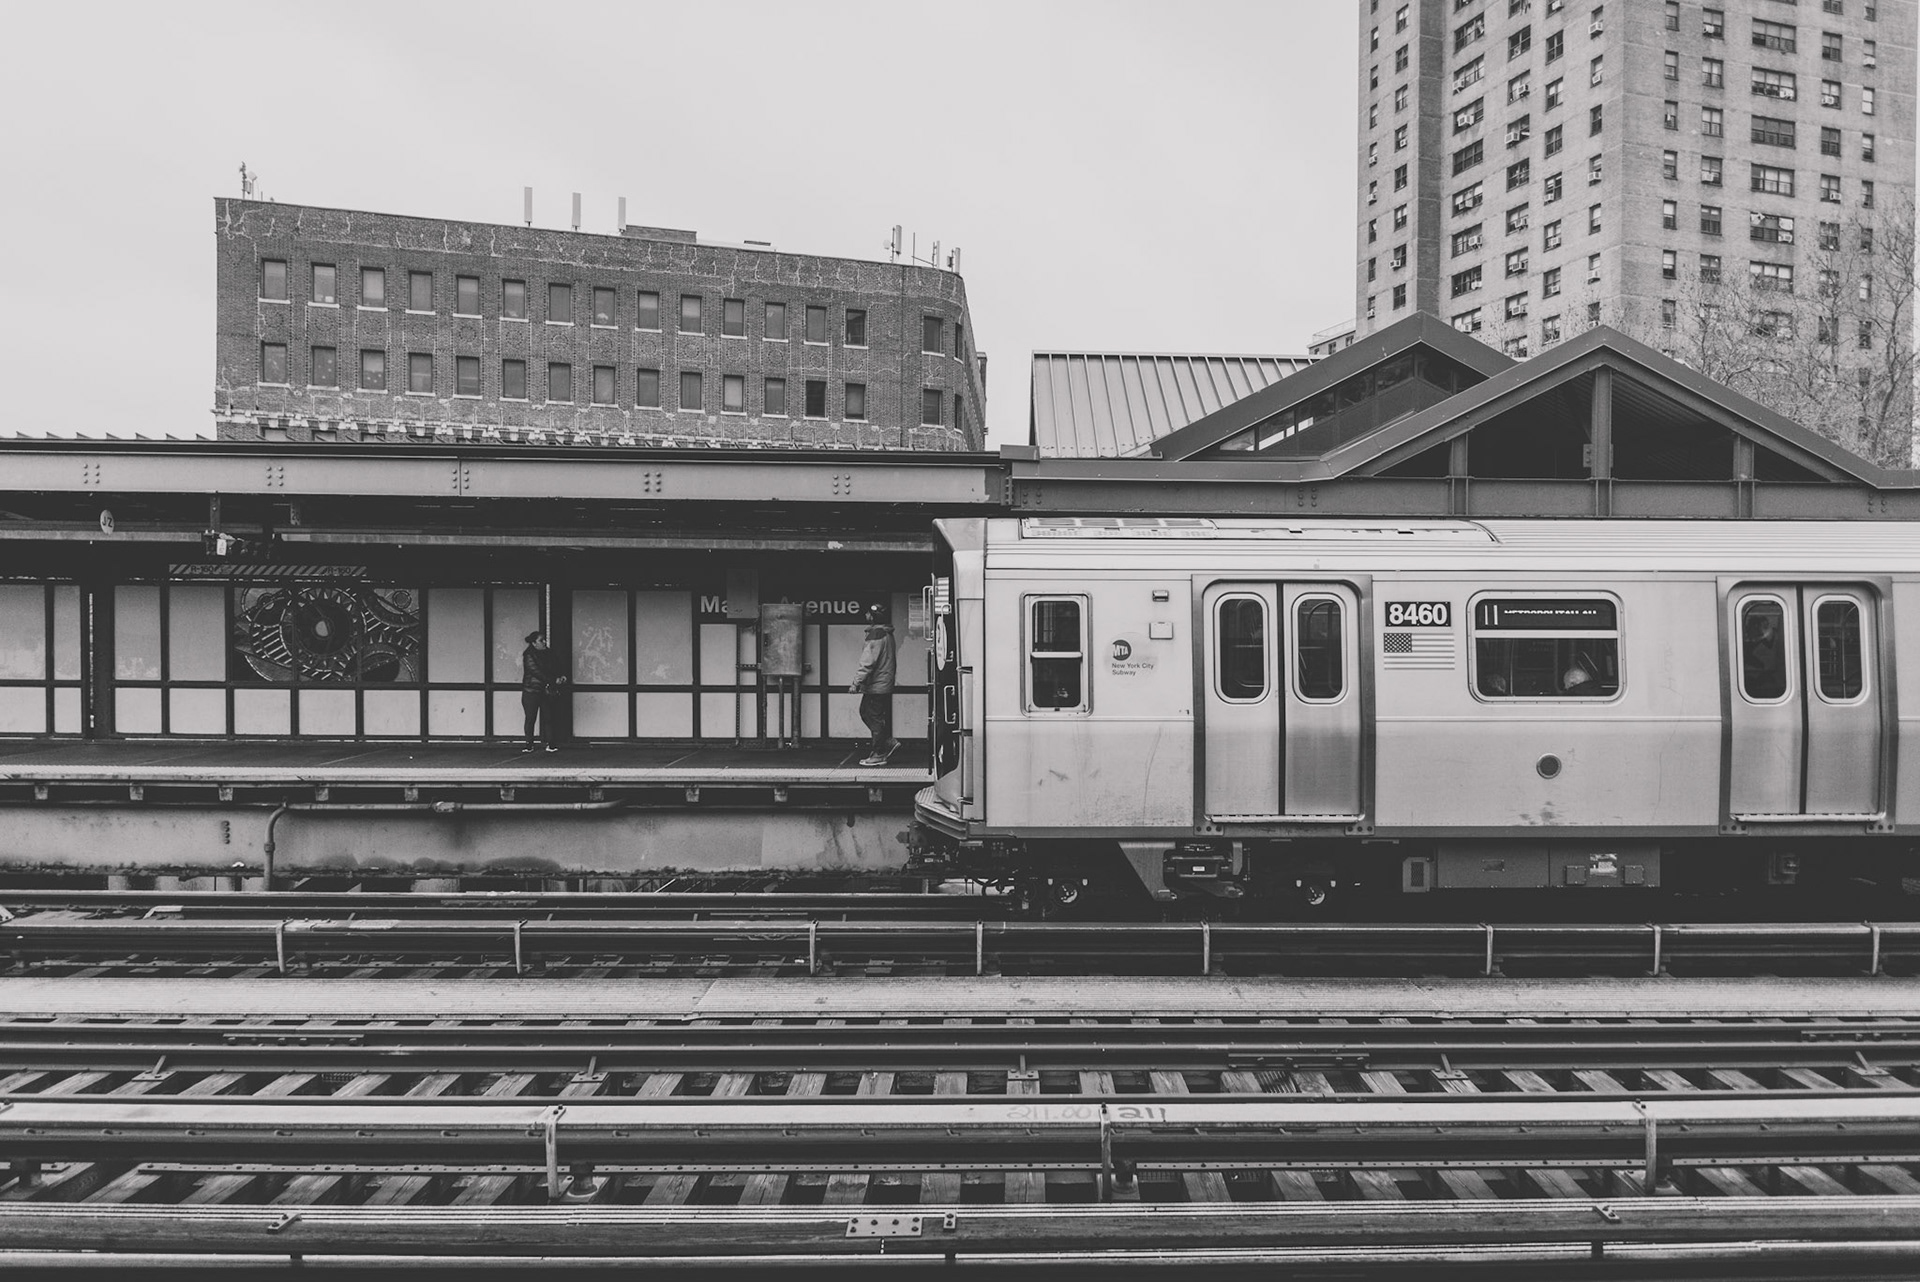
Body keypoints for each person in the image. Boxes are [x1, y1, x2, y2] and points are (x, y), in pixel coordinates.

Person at [848, 606, 897, 765]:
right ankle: (887, 741)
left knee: (871, 715)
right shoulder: (887, 633)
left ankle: (879, 752)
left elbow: (867, 662)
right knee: (869, 713)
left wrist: (857, 682)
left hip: (877, 684)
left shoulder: (876, 634)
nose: (866, 615)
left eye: (868, 613)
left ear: (873, 617)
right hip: (883, 683)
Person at [521, 630, 567, 752]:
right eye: (541, 640)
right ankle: (529, 743)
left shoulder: (550, 653)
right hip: (531, 690)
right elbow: (536, 672)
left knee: (549, 716)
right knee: (531, 718)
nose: (544, 642)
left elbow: (557, 665)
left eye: (544, 640)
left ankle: (551, 743)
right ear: (534, 643)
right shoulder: (528, 655)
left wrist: (561, 675)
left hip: (545, 690)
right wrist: (553, 679)